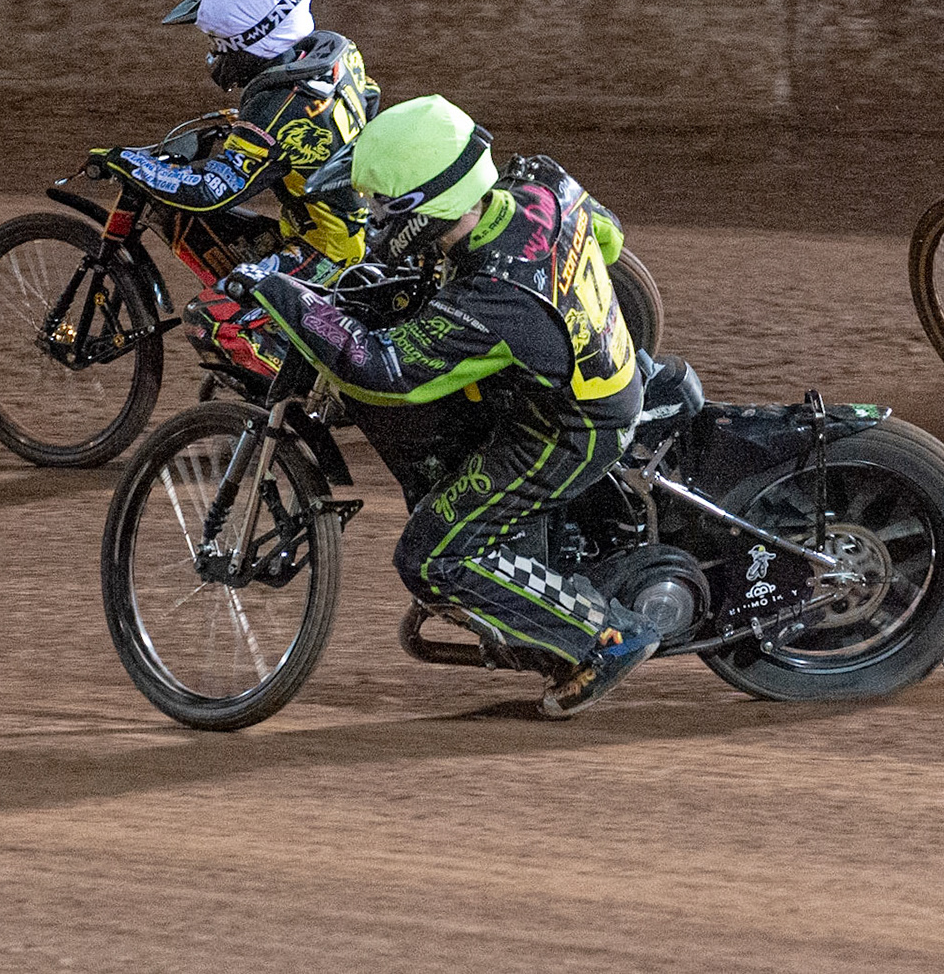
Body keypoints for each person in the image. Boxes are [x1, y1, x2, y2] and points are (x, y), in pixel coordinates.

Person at [226, 94, 658, 718]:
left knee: (430, 556)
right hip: (588, 366)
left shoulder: (493, 296)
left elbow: (386, 370)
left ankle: (604, 640)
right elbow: (612, 242)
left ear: (424, 205)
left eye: (381, 205)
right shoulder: (543, 184)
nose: (371, 217)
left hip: (571, 428)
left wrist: (284, 294)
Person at [87, 0, 380, 379]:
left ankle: (312, 400)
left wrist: (132, 163)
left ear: (248, 40)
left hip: (330, 253)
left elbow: (211, 191)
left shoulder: (277, 106)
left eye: (217, 40)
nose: (213, 51)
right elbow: (368, 99)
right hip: (359, 225)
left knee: (209, 321)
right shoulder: (333, 53)